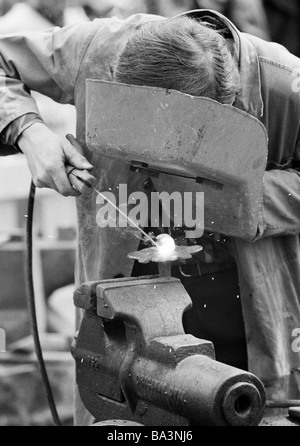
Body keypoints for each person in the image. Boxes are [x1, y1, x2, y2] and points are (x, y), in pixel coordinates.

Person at [0, 8, 299, 425]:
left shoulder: (284, 85)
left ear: (227, 106)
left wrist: (239, 200)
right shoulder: (96, 51)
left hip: (246, 328)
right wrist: (28, 132)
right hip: (121, 330)